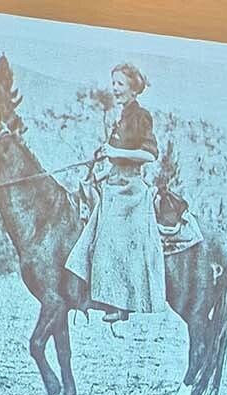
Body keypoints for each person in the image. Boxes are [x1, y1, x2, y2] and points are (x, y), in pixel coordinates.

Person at [64, 62, 165, 325]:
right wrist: (105, 152)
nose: (115, 89)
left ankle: (122, 304)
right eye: (114, 84)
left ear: (133, 88)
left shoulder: (141, 116)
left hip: (130, 190)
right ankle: (92, 292)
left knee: (111, 234)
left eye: (120, 84)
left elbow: (150, 154)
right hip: (113, 183)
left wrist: (118, 153)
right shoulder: (121, 116)